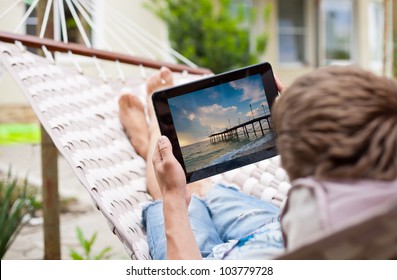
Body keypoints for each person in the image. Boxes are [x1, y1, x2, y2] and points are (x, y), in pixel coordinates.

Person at [119, 65, 397, 260]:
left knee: (177, 194)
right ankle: (178, 168)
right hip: (275, 232)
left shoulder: (314, 217)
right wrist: (305, 114)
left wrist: (172, 197)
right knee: (207, 191)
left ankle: (153, 141)